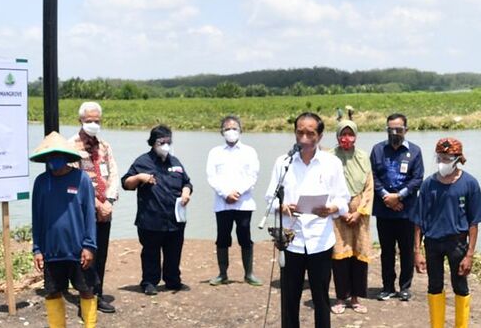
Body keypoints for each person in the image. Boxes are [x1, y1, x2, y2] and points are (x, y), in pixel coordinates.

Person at [264, 112, 350, 328]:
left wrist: (331, 208)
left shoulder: (331, 163)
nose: (304, 138)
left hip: (320, 240)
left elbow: (343, 199)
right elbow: (269, 198)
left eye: (310, 133)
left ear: (320, 136)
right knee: (289, 298)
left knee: (321, 298)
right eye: (300, 132)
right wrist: (281, 207)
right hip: (291, 241)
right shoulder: (283, 163)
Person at [414, 138, 481, 328]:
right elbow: (418, 221)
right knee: (434, 286)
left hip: (457, 243)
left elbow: (474, 223)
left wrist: (469, 254)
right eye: (440, 157)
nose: (442, 162)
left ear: (457, 159)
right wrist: (417, 251)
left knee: (460, 286)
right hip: (432, 243)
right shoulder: (428, 185)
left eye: (447, 158)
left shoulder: (470, 183)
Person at [30, 132, 98, 328]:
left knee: (86, 290)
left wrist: (89, 245)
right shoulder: (41, 182)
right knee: (52, 292)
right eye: (50, 156)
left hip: (78, 250)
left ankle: (90, 325)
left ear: (66, 156)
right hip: (51, 250)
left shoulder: (81, 179)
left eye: (58, 155)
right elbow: (37, 217)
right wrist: (37, 249)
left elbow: (89, 215)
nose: (54, 160)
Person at [122, 125, 192, 295]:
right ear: (153, 143)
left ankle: (172, 280)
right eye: (162, 142)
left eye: (168, 141)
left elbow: (187, 182)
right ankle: (149, 282)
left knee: (173, 252)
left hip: (174, 219)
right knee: (151, 253)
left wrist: (186, 191)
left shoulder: (175, 162)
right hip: (150, 219)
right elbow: (126, 183)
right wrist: (139, 177)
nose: (166, 145)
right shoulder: (143, 161)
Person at [69, 101, 119, 313]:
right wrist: (96, 204)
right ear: (80, 120)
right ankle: (86, 296)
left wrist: (108, 201)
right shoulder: (71, 146)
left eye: (97, 121)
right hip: (83, 212)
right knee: (86, 254)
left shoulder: (105, 146)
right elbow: (74, 180)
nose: (93, 124)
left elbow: (114, 175)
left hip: (105, 213)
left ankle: (97, 293)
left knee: (101, 253)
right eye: (89, 121)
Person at [371, 113, 424, 302]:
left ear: (406, 130)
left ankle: (405, 287)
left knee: (407, 250)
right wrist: (387, 196)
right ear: (386, 130)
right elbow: (373, 177)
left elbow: (417, 179)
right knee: (387, 251)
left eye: (398, 129)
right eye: (390, 129)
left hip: (407, 210)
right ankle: (387, 287)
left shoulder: (415, 152)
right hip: (384, 210)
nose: (394, 132)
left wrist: (399, 196)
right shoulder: (377, 150)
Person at [205, 115, 262, 286]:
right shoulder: (215, 152)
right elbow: (211, 176)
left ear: (241, 131)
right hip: (222, 203)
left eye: (234, 128)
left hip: (243, 202)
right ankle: (222, 274)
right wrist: (225, 193)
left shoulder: (249, 152)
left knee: (245, 235)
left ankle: (249, 274)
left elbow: (253, 175)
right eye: (227, 128)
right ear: (221, 132)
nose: (231, 131)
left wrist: (237, 192)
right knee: (222, 236)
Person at [329, 119, 373, 315]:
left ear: (355, 136)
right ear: (337, 136)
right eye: (343, 134)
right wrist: (343, 211)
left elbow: (369, 187)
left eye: (350, 134)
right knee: (339, 256)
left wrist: (359, 212)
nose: (346, 138)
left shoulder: (363, 157)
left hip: (360, 216)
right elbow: (326, 187)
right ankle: (340, 298)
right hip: (337, 215)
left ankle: (355, 298)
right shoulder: (329, 157)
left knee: (358, 255)